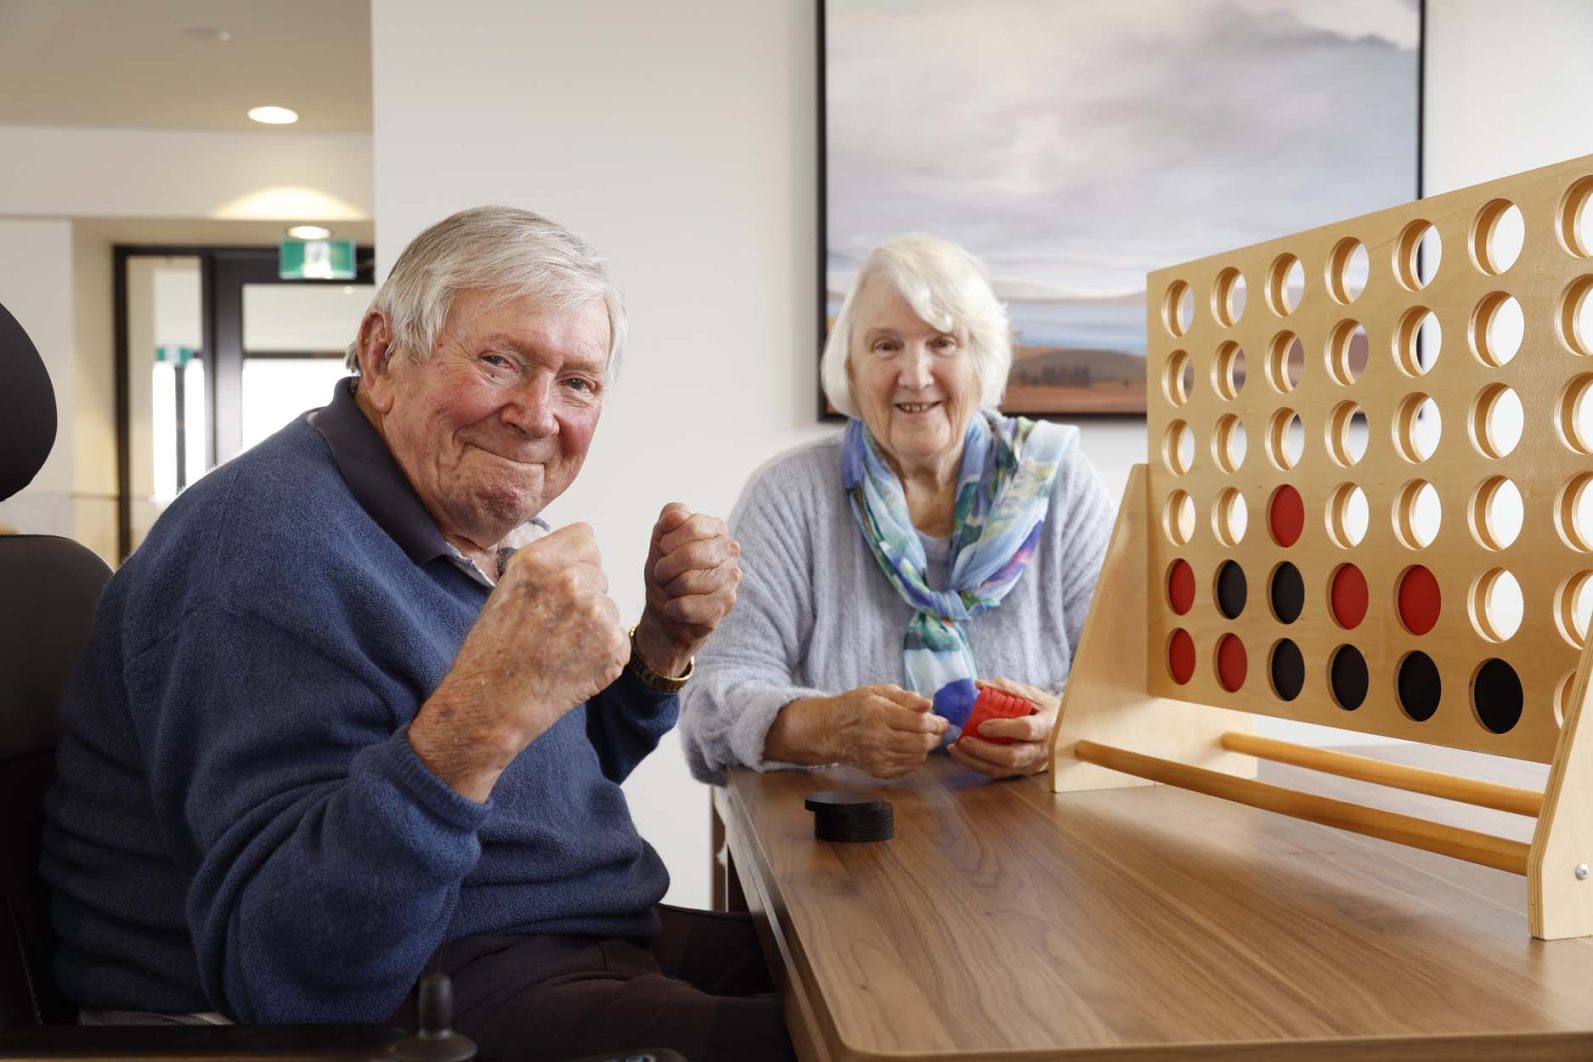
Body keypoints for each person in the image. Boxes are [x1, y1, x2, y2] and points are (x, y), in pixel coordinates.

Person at [41, 206, 794, 1062]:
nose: (537, 414)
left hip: (561, 931)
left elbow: (540, 779)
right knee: (867, 1042)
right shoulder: (261, 548)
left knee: (862, 973)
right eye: (500, 361)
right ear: (382, 352)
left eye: (577, 382)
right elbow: (296, 973)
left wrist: (660, 645)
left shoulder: (468, 528)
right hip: (405, 997)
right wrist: (484, 708)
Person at [681, 235, 1113, 784]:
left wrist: (1065, 731)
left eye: (943, 343)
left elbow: (1129, 687)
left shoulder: (1061, 484)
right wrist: (828, 726)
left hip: (1039, 832)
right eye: (886, 346)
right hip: (842, 836)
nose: (915, 375)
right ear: (852, 370)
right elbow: (713, 703)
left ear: (982, 359)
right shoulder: (790, 495)